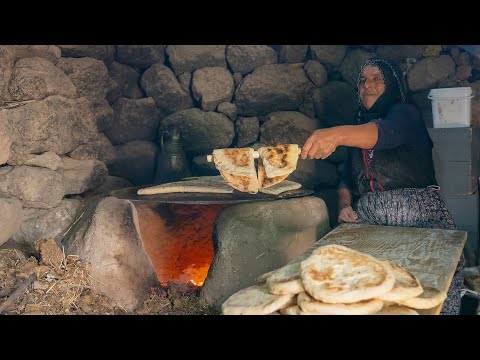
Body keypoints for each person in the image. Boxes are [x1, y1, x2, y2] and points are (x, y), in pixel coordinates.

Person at [301, 58, 464, 315]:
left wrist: (334, 134)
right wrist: (345, 205)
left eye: (378, 78)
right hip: (369, 221)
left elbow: (386, 133)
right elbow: (346, 179)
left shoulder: (405, 113)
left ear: (392, 85)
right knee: (370, 297)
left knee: (426, 293)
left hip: (417, 216)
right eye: (363, 80)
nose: (368, 85)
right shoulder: (358, 130)